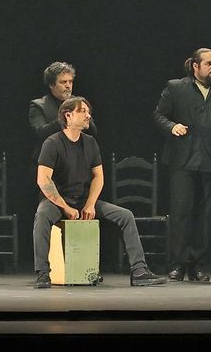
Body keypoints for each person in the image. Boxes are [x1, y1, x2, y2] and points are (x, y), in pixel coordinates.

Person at [33, 97, 168, 288]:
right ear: (68, 115)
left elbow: (98, 176)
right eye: (83, 111)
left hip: (83, 199)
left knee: (125, 215)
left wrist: (89, 203)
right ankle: (42, 273)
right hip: (57, 201)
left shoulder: (90, 143)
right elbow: (43, 179)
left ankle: (139, 271)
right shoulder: (52, 143)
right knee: (42, 215)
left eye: (89, 112)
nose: (89, 115)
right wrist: (64, 206)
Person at [152, 48, 211, 281]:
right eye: (209, 63)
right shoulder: (176, 87)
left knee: (206, 216)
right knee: (181, 213)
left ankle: (198, 264)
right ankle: (178, 264)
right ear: (195, 66)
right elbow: (159, 116)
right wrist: (172, 127)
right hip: (183, 160)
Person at [28, 61, 96, 163]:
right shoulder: (38, 105)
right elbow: (41, 133)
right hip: (48, 163)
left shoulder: (79, 103)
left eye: (70, 81)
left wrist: (84, 116)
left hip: (76, 162)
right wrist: (65, 118)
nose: (68, 86)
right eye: (63, 82)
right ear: (51, 85)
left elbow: (92, 132)